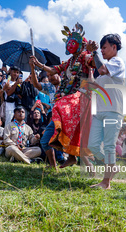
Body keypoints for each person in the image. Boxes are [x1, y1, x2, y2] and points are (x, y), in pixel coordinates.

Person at [30, 22, 94, 169]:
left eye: (73, 42)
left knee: (73, 132)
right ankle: (67, 161)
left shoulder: (85, 57)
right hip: (63, 105)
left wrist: (93, 53)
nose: (70, 44)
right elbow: (53, 70)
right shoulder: (69, 62)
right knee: (47, 140)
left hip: (77, 101)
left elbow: (95, 64)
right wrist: (38, 64)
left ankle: (83, 163)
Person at [85, 34, 126, 189]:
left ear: (114, 47)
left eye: (104, 47)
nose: (102, 50)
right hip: (100, 112)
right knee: (93, 146)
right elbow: (95, 86)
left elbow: (101, 70)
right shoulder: (106, 69)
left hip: (113, 111)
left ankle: (106, 182)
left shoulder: (117, 62)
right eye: (100, 48)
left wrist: (94, 53)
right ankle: (112, 167)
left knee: (109, 146)